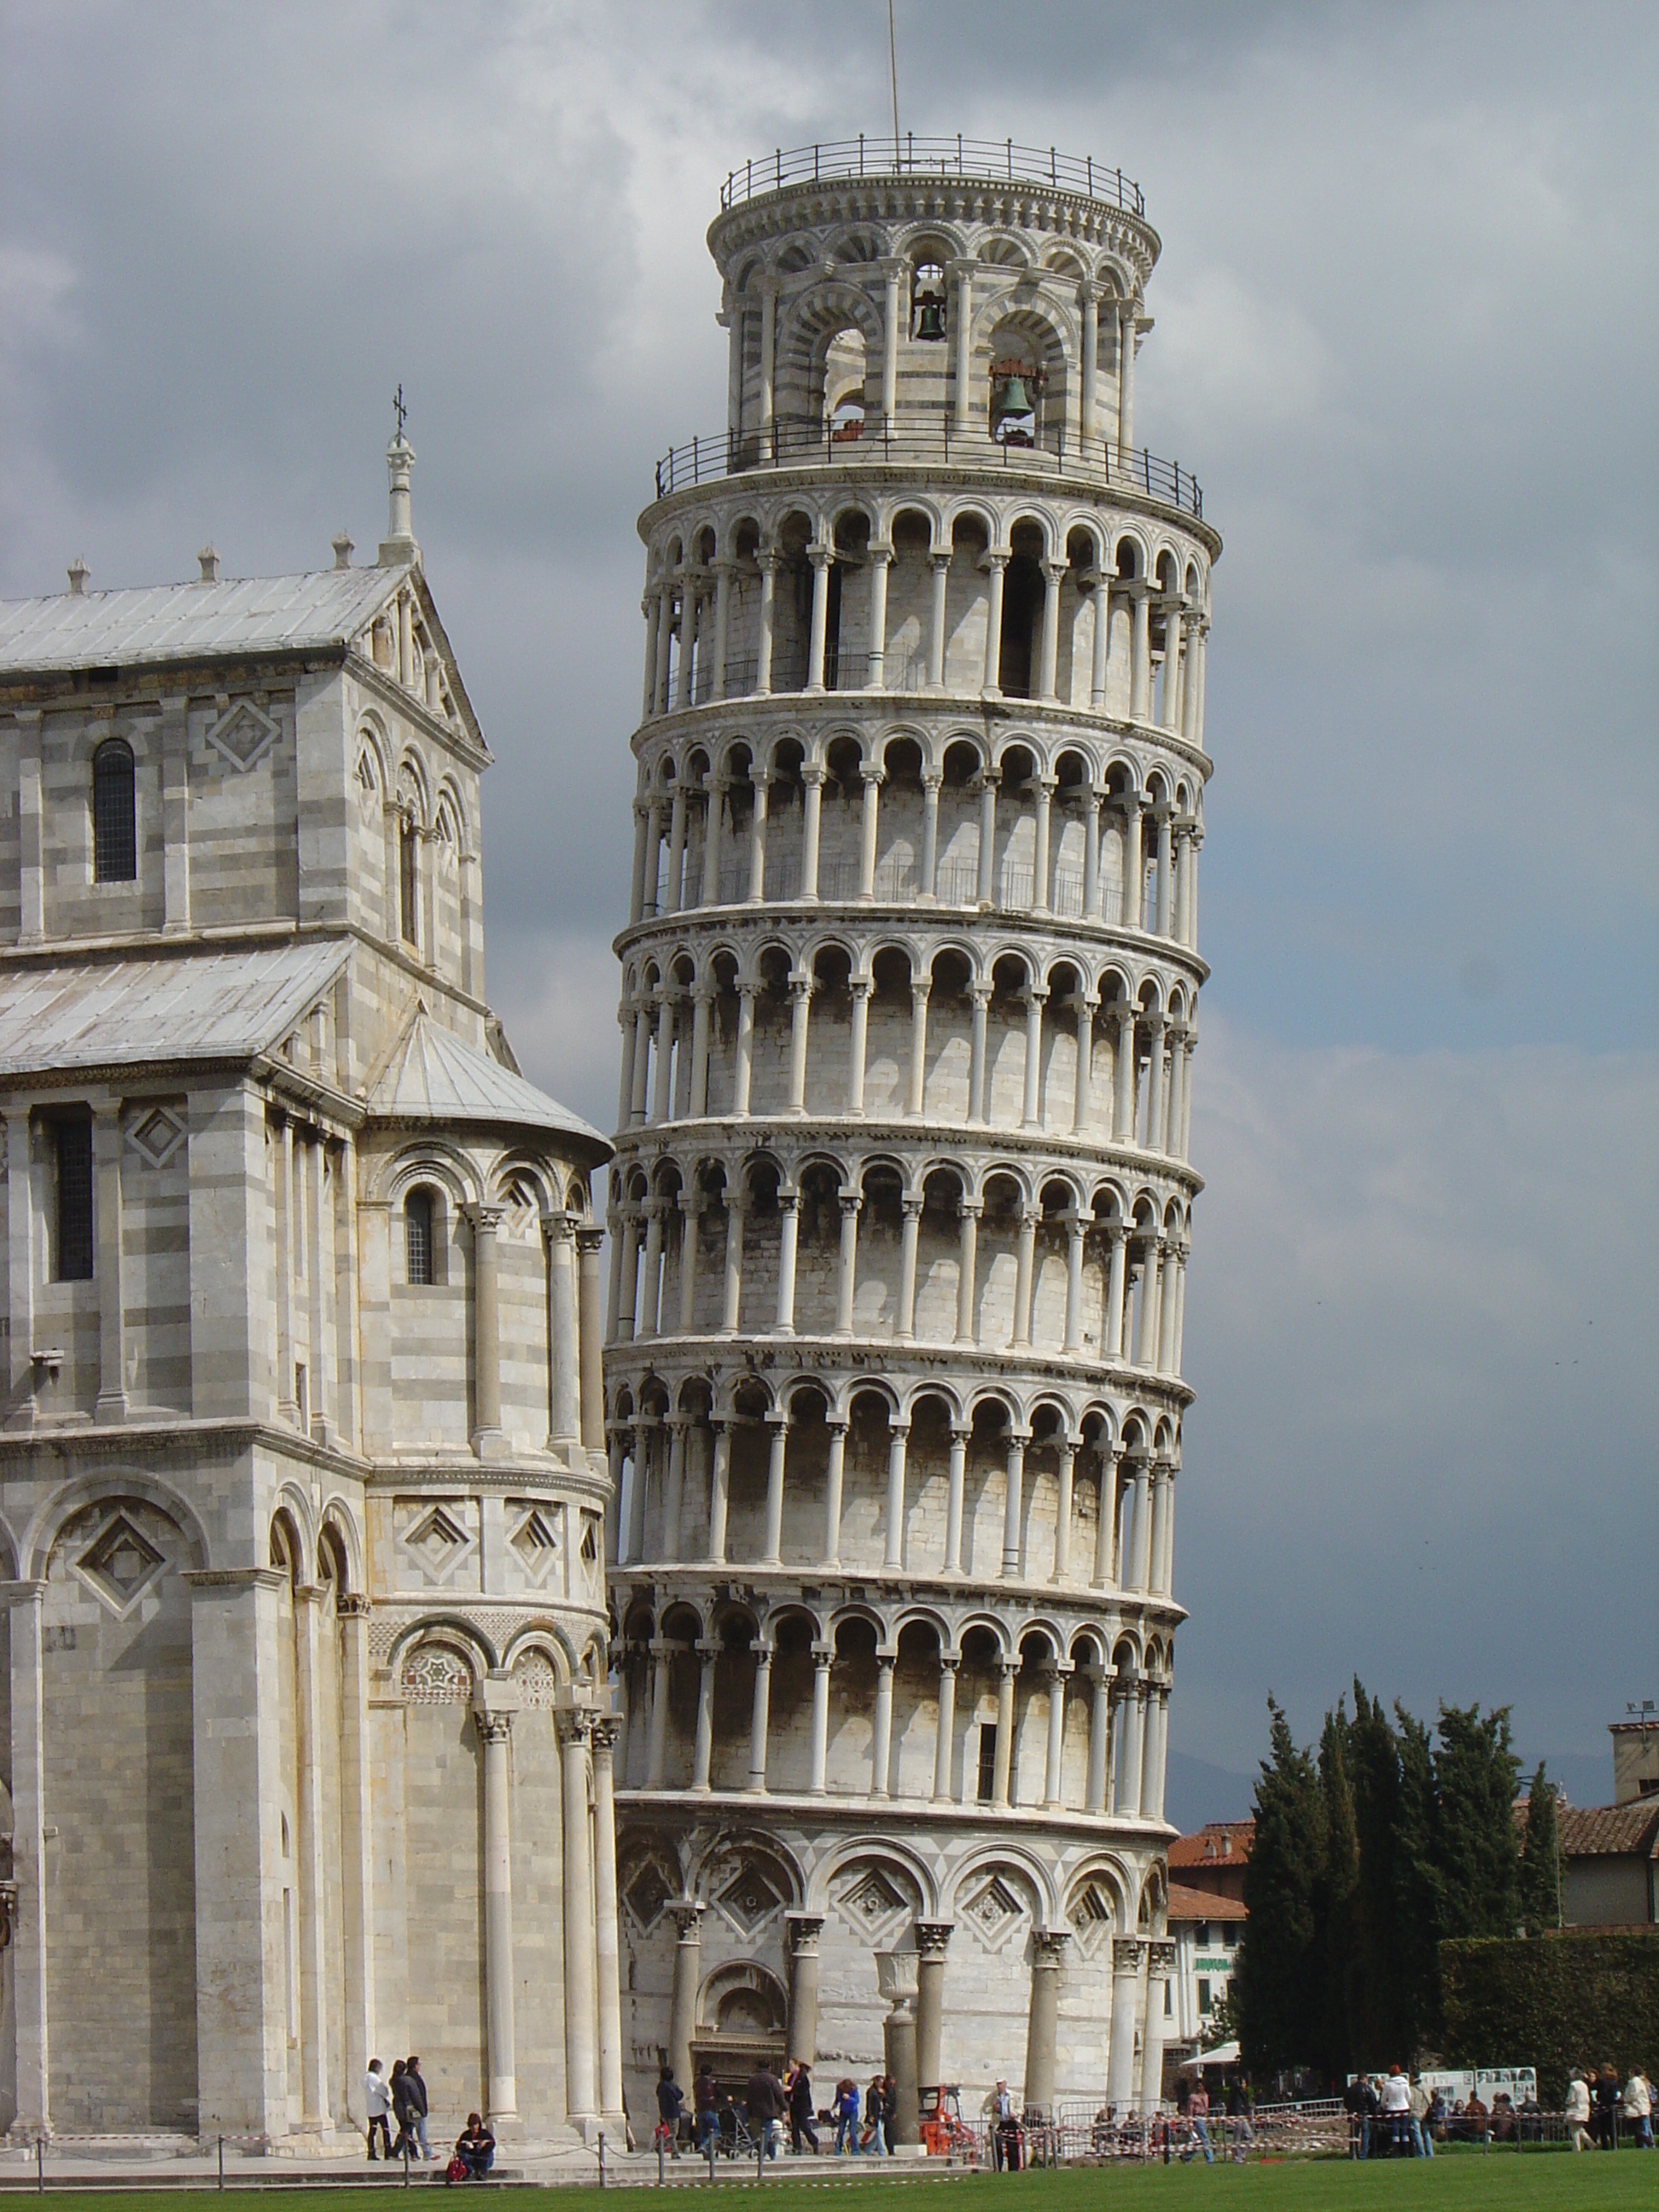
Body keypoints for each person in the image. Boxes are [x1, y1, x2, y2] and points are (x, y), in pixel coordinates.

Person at [745, 2061, 784, 2160]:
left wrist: (748, 2110)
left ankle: (771, 2153)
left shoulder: (752, 2079)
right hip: (768, 2110)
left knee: (762, 2132)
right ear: (769, 2068)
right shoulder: (772, 2079)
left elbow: (748, 2096)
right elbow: (779, 2095)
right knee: (767, 2131)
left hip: (755, 2110)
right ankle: (763, 2152)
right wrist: (785, 2107)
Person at [787, 2059, 818, 2155]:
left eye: (791, 2065)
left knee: (803, 2125)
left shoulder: (802, 2077)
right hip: (793, 2104)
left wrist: (792, 2090)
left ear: (796, 2065)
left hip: (802, 2106)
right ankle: (797, 2147)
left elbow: (802, 2091)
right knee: (794, 2127)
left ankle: (814, 2141)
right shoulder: (791, 2077)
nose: (790, 2067)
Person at [364, 2059, 393, 2161]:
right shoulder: (374, 2078)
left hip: (371, 2109)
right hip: (379, 2109)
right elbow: (384, 2091)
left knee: (372, 2131)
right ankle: (388, 2151)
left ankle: (371, 2152)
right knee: (386, 2130)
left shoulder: (365, 2077)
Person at [390, 2059, 419, 2161]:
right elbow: (413, 2095)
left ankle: (413, 2152)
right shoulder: (405, 2080)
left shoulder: (393, 2080)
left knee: (407, 2130)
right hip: (405, 2107)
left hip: (397, 2107)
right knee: (406, 2129)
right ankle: (395, 2152)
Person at [1379, 2065, 1412, 2156]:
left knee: (1395, 2131)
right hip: (1404, 2108)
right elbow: (1408, 2097)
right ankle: (1405, 2151)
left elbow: (1384, 2098)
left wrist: (1384, 2106)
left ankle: (1396, 2151)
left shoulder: (1388, 2084)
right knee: (1404, 2130)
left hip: (1393, 2109)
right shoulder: (1405, 2083)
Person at [1180, 2081, 1214, 2164]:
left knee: (1200, 2141)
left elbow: (1206, 2108)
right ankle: (1210, 2159)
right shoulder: (1193, 2097)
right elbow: (1190, 2110)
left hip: (1203, 2118)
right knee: (1205, 2139)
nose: (1199, 2088)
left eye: (1201, 2086)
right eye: (1198, 2086)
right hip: (1197, 2118)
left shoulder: (1206, 2096)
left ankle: (1186, 2156)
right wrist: (1190, 2122)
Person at [453, 2114, 494, 2180]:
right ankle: (471, 2172)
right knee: (462, 2155)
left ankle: (482, 2173)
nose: (474, 2127)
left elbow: (492, 2144)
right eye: (472, 2125)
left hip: (482, 2158)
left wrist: (484, 2146)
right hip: (471, 2158)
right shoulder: (465, 2135)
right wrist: (465, 2147)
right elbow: (458, 2146)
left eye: (476, 2124)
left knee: (488, 2154)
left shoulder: (485, 2134)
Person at [655, 2064, 684, 2157]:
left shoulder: (660, 2086)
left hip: (664, 2111)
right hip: (673, 2112)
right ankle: (661, 2145)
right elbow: (679, 2095)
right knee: (673, 2133)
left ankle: (674, 2152)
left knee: (672, 2132)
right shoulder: (671, 2086)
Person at [406, 2056, 432, 2160]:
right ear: (415, 2066)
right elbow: (417, 2095)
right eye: (418, 2064)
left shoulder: (412, 2076)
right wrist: (422, 2110)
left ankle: (408, 2152)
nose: (419, 2066)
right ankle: (427, 2153)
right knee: (421, 2132)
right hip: (417, 2110)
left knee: (408, 2132)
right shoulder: (413, 2078)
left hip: (416, 2109)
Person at [1565, 2070, 1594, 2153]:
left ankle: (1577, 2149)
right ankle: (1591, 2143)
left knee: (1574, 2130)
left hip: (1575, 2110)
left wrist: (1566, 2102)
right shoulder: (1584, 2085)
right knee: (1579, 2129)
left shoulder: (1573, 2085)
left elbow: (1571, 2099)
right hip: (1584, 2109)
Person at [1623, 2067, 1653, 2149]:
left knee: (1637, 2128)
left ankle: (1647, 2142)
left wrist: (1626, 2099)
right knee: (1639, 2128)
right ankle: (1643, 2143)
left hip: (1637, 2107)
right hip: (1640, 2107)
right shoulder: (1638, 2081)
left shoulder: (1635, 2081)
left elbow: (1634, 2094)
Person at [1593, 2065, 1620, 2151]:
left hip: (1603, 2106)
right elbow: (1615, 2095)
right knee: (1612, 2129)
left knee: (1603, 2129)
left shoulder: (1601, 2082)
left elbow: (1595, 2090)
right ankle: (1615, 2145)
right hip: (1612, 2106)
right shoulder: (1614, 2082)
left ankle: (1605, 2147)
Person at [693, 2067, 719, 2155]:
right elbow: (714, 2095)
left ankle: (704, 2149)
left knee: (703, 2132)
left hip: (700, 2110)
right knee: (716, 2130)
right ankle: (704, 2146)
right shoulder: (710, 2083)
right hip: (709, 2110)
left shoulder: (697, 2083)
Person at [832, 2078, 860, 2156]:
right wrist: (835, 2105)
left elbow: (857, 2100)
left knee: (852, 2130)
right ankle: (838, 2149)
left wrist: (849, 2098)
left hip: (852, 2111)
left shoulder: (853, 2090)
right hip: (843, 2111)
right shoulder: (839, 2089)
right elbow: (838, 2098)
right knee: (840, 2130)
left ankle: (855, 2150)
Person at [1406, 2073, 1431, 2158]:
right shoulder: (1426, 2086)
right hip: (1425, 2112)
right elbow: (1429, 2100)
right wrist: (1424, 2111)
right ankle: (1430, 2153)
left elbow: (1411, 2102)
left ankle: (1421, 2153)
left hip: (1415, 2113)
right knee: (1426, 2133)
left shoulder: (1412, 2089)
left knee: (1417, 2134)